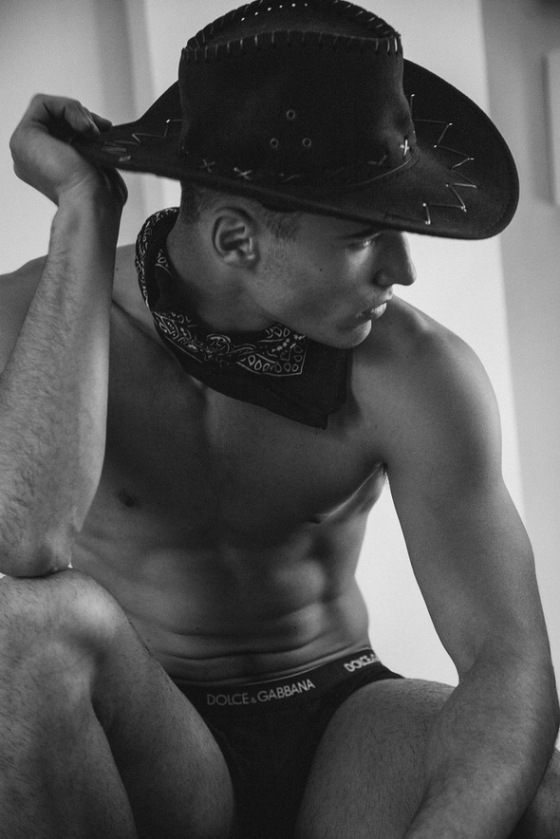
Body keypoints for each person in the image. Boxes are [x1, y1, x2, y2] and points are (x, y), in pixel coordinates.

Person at [1, 1, 559, 837]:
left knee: (537, 793)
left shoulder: (417, 369)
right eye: (366, 238)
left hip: (336, 722)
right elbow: (25, 546)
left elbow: (507, 660)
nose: (403, 270)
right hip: (148, 733)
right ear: (237, 240)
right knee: (22, 631)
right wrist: (83, 209)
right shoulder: (33, 320)